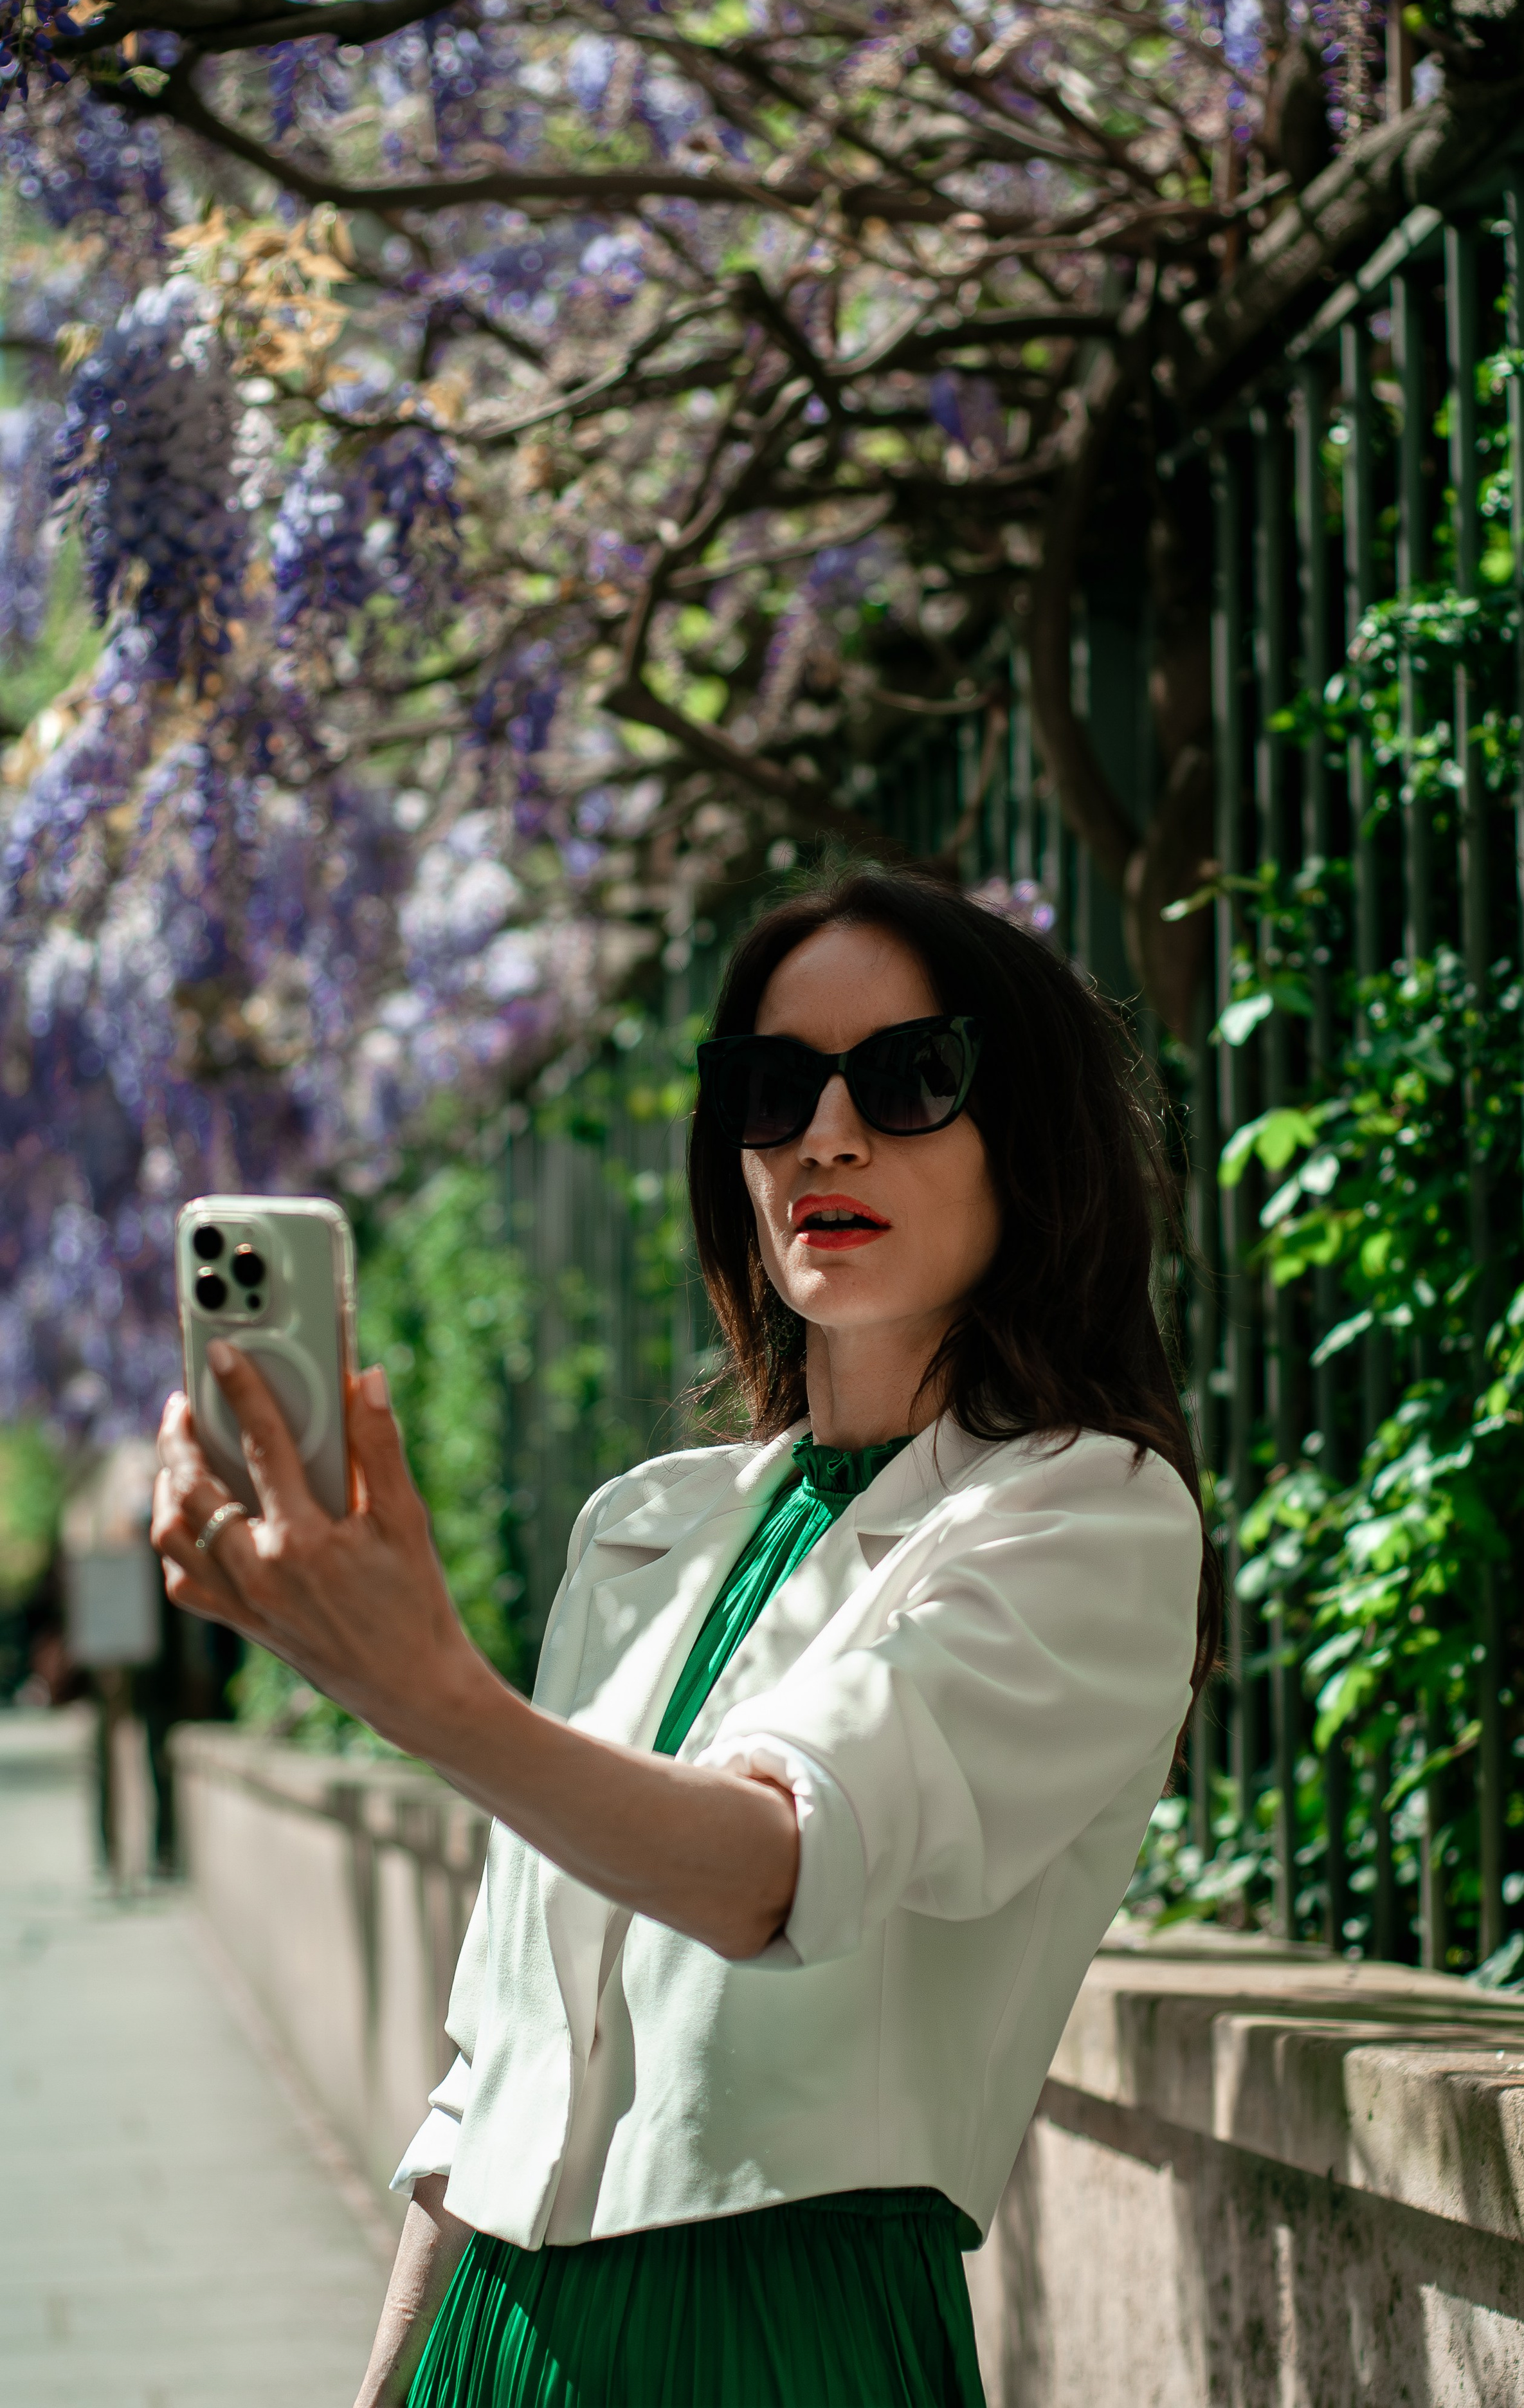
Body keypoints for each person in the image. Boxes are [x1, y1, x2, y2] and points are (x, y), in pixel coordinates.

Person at [152, 864, 1217, 2408]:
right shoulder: (646, 1524)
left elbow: (773, 1861)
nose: (824, 1136)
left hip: (781, 2335)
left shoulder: (1090, 1516)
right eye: (772, 1090)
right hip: (492, 2341)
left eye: (910, 1079)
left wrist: (427, 1689)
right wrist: (384, 2382)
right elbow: (494, 2064)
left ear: (1028, 1143)